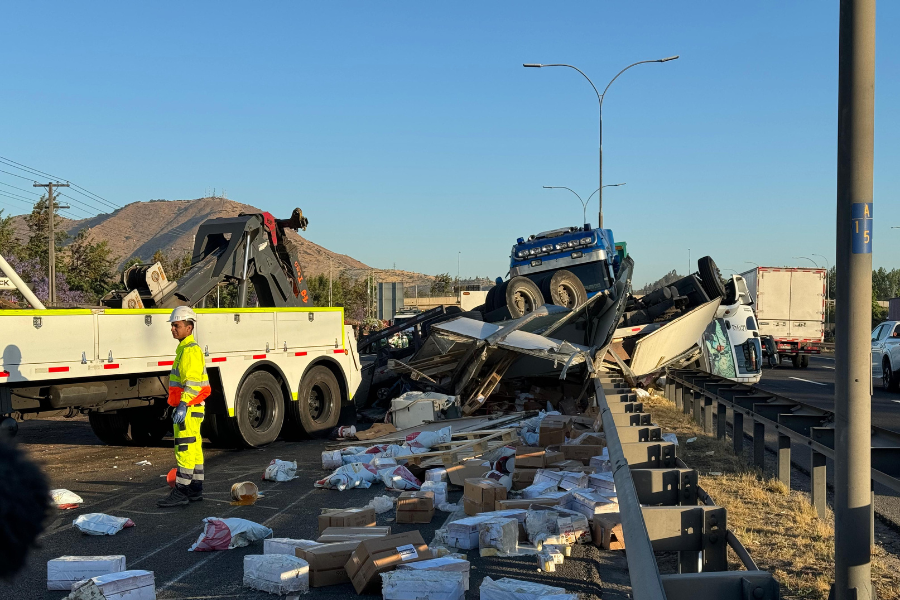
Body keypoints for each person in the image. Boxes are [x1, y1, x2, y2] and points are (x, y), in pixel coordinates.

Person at [157, 306, 211, 508]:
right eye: (172, 325)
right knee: (195, 449)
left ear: (189, 328)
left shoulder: (189, 351)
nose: (173, 329)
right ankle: (195, 489)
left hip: (188, 408)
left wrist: (182, 405)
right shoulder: (186, 349)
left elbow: (192, 382)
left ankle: (180, 492)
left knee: (185, 449)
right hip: (193, 407)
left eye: (177, 325)